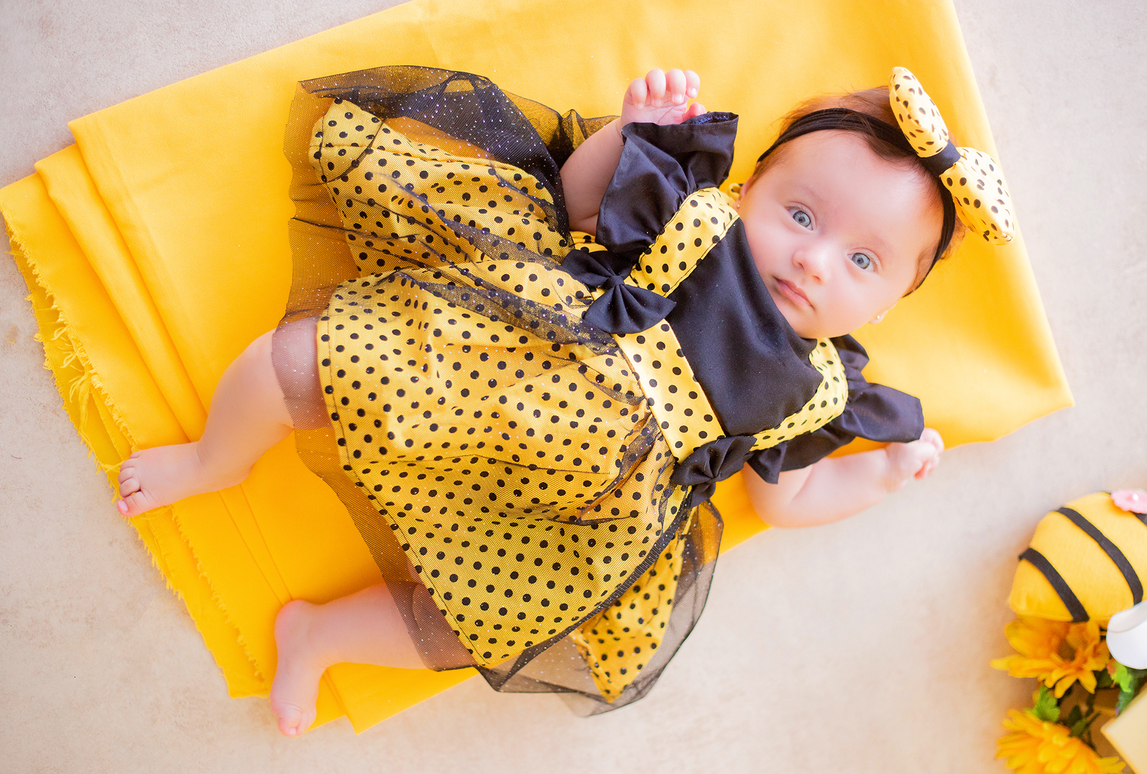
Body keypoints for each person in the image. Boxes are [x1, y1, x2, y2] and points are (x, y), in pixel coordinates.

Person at [113, 65, 1006, 735]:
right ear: (748, 188)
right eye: (802, 214)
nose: (815, 258)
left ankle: (320, 635)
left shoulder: (818, 391)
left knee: (482, 625)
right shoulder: (697, 217)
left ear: (887, 306)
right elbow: (573, 205)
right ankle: (212, 457)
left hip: (586, 512)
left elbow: (788, 498)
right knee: (303, 366)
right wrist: (630, 132)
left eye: (863, 261)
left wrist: (884, 474)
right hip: (513, 358)